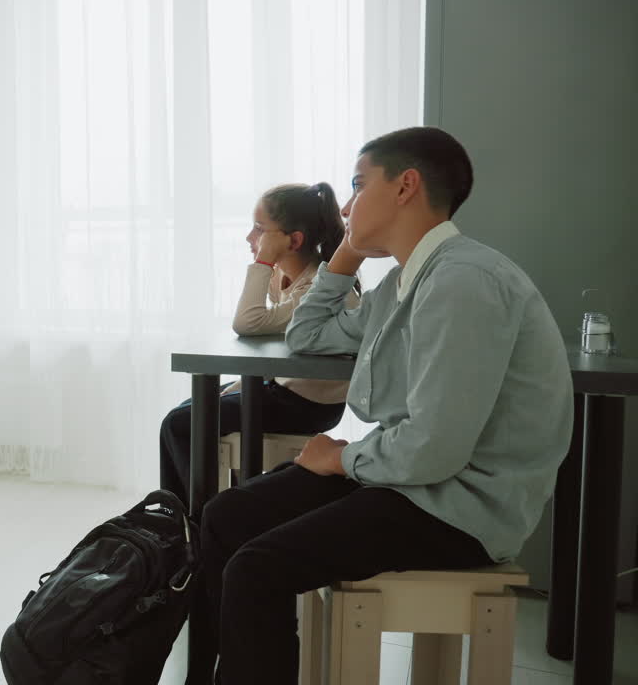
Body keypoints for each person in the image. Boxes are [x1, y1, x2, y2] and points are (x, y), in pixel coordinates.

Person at [189, 127, 573, 684]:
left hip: (461, 507)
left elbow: (434, 449)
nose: (345, 205)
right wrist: (343, 258)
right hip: (414, 482)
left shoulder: (463, 282)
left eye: (357, 185)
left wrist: (343, 460)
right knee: (226, 516)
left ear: (405, 186)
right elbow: (308, 335)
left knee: (258, 567)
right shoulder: (402, 283)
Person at [159, 183, 359, 508]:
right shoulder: (289, 277)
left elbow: (248, 323)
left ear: (294, 240)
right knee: (188, 410)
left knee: (180, 425)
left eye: (259, 229)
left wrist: (263, 261)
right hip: (279, 390)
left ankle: (193, 520)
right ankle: (192, 513)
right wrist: (238, 386)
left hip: (306, 405)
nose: (250, 238)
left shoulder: (314, 290)